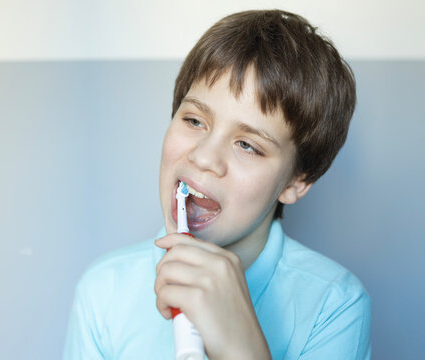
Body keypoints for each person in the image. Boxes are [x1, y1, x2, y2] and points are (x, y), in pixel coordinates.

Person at [64, 9, 371, 360]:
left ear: (296, 182)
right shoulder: (104, 291)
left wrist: (241, 347)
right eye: (194, 120)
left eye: (247, 145)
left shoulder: (335, 306)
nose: (205, 157)